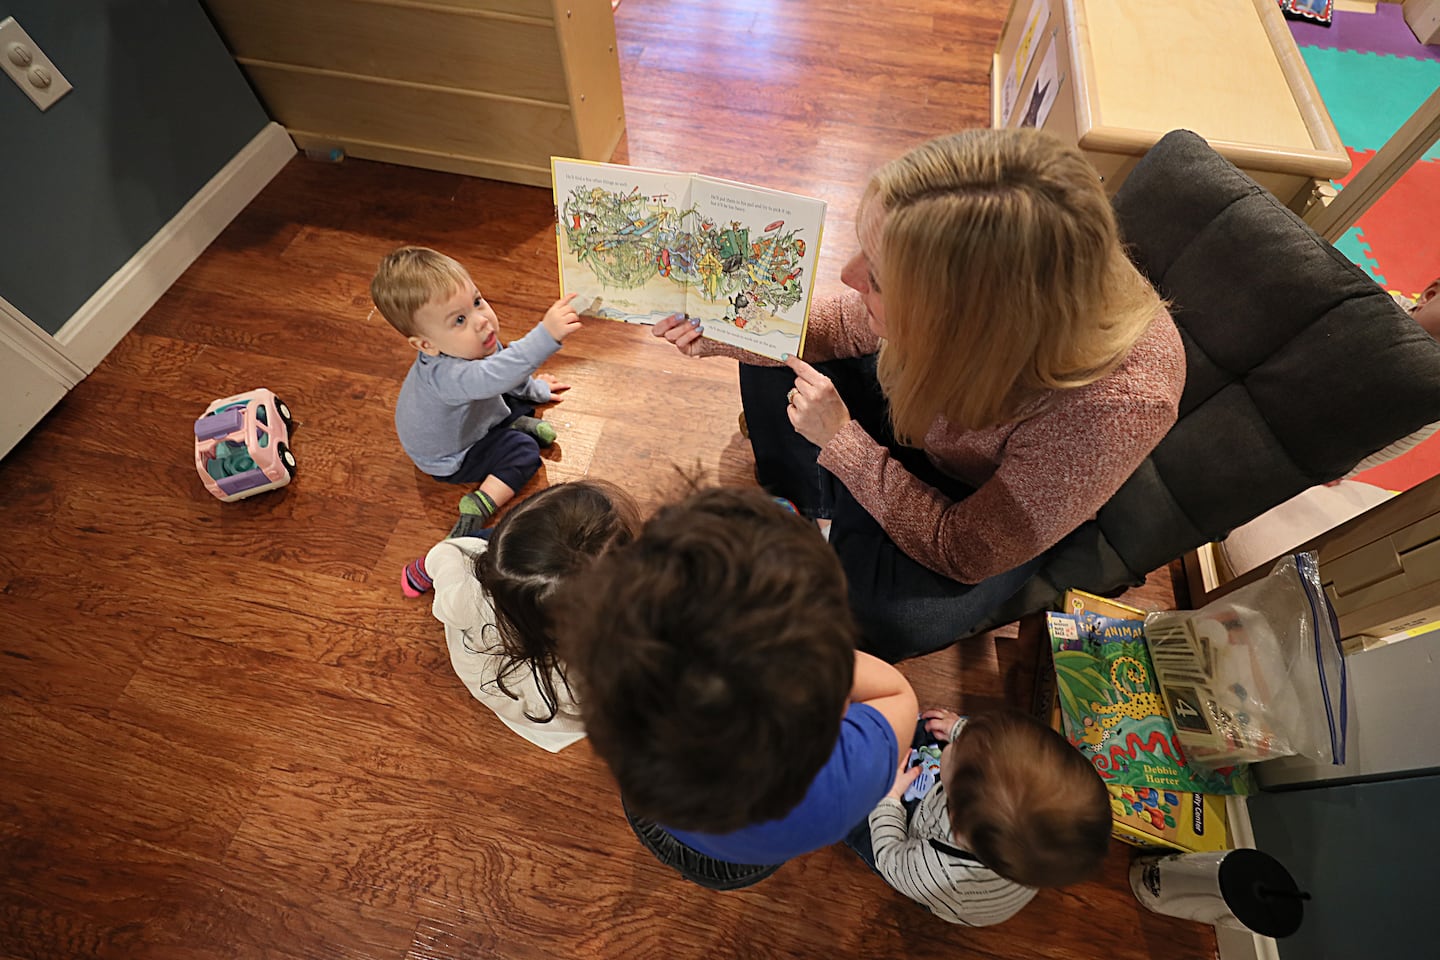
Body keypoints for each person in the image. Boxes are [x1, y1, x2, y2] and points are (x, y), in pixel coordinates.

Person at [652, 129, 1185, 661]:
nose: (847, 274)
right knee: (773, 341)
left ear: (965, 320)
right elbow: (843, 323)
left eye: (878, 279)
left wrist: (846, 447)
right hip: (924, 425)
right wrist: (732, 332)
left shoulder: (1117, 404)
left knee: (890, 617)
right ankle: (810, 508)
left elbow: (968, 550)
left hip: (975, 498)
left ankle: (831, 513)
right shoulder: (995, 294)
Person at [558, 486, 918, 889]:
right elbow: (898, 695)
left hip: (665, 823)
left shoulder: (627, 720)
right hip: (751, 855)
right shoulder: (842, 785)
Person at [405, 481, 641, 752]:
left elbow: (444, 553)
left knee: (468, 549)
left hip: (501, 693)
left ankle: (428, 572)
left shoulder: (467, 596)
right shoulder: (603, 664)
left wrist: (428, 567)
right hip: (549, 722)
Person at [371, 245, 583, 525]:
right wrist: (546, 335)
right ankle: (481, 503)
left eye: (477, 301)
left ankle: (509, 422)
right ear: (426, 345)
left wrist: (534, 391)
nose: (481, 320)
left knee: (507, 381)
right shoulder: (447, 376)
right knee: (523, 451)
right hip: (453, 456)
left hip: (471, 419)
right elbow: (499, 374)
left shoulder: (471, 346)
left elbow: (504, 367)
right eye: (459, 320)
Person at [847, 707, 1110, 926]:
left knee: (851, 814)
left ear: (957, 826)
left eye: (960, 743)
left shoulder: (941, 871)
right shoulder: (1026, 841)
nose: (958, 738)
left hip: (918, 855)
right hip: (968, 815)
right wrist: (959, 728)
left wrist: (890, 799)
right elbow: (991, 752)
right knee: (944, 732)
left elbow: (891, 858)